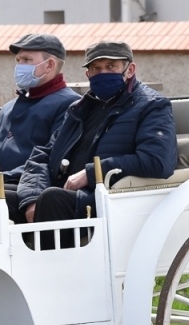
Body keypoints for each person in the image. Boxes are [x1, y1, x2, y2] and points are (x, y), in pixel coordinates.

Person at [16, 42, 176, 232]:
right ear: (88, 74)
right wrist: (31, 198)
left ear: (130, 69)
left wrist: (91, 173)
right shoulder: (80, 108)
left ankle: (48, 261)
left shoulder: (152, 106)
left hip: (104, 198)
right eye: (96, 68)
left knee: (51, 198)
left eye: (111, 66)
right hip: (64, 191)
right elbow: (43, 154)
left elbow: (158, 161)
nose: (103, 73)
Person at [0, 32, 77, 217]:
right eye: (18, 60)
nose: (20, 66)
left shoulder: (70, 104)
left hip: (32, 186)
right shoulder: (8, 108)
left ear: (50, 65)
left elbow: (50, 158)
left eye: (27, 59)